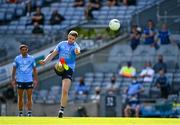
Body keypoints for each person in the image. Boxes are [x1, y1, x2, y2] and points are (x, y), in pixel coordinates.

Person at [39, 30, 81, 118]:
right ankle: (61, 64)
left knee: (65, 91)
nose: (70, 40)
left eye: (73, 39)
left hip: (68, 69)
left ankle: (61, 110)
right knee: (61, 63)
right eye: (69, 38)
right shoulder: (62, 44)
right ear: (68, 36)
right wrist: (45, 61)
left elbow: (77, 51)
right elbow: (53, 54)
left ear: (75, 40)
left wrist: (77, 52)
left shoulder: (75, 46)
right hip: (60, 66)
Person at [11, 44, 38, 116]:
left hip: (29, 80)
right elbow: (14, 69)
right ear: (20, 51)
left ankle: (29, 113)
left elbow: (35, 70)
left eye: (25, 50)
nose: (24, 51)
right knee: (20, 97)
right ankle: (20, 113)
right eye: (23, 50)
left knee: (29, 97)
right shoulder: (17, 58)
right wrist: (13, 79)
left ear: (27, 50)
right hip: (20, 80)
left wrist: (36, 80)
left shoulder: (32, 58)